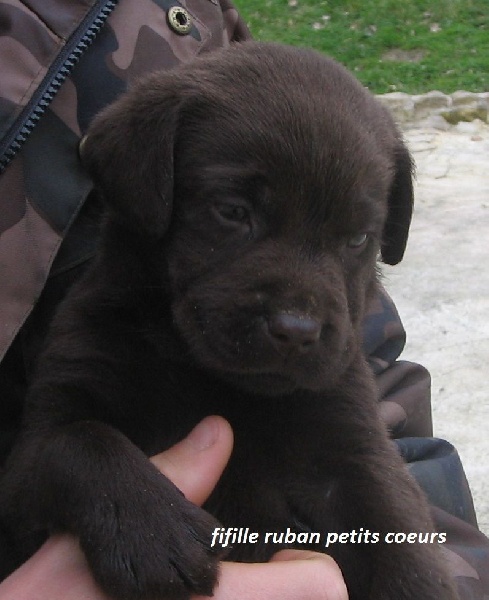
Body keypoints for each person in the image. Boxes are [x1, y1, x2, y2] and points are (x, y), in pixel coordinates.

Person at [0, 1, 487, 598]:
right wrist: (104, 486)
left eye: (354, 240)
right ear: (143, 184)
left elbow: (382, 513)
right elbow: (40, 461)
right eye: (234, 213)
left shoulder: (177, 16)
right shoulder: (105, 333)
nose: (299, 316)